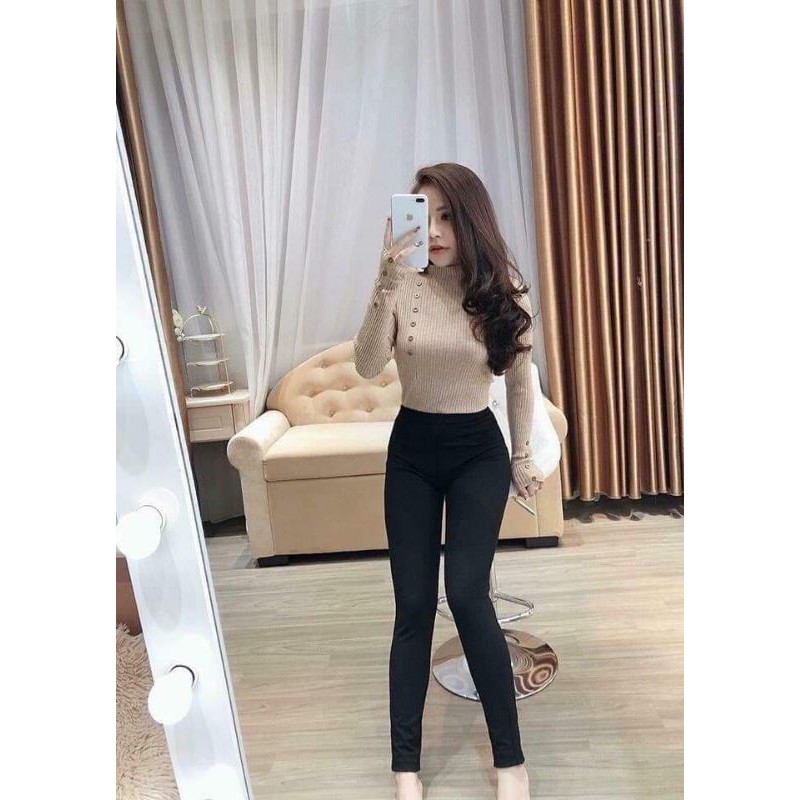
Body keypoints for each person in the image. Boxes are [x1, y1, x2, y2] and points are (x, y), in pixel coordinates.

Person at [352, 163, 544, 800]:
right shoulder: (403, 284)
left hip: (475, 454)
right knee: (411, 606)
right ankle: (404, 767)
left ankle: (510, 760)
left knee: (466, 594)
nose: (432, 231)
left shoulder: (501, 291)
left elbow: (520, 380)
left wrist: (522, 456)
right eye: (422, 215)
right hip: (412, 451)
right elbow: (367, 364)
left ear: (470, 220)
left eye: (445, 217)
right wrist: (386, 276)